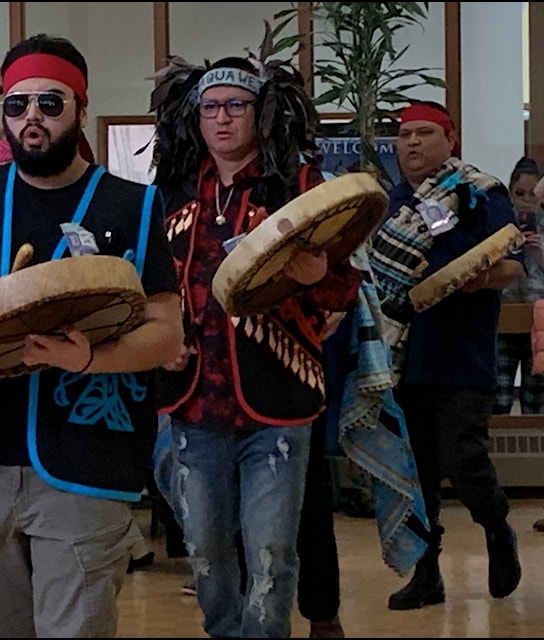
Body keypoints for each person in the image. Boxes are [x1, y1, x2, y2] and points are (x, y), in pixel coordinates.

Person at [0, 33, 184, 638]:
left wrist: (90, 358)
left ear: (80, 108)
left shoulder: (133, 205)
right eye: (17, 103)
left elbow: (166, 334)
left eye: (50, 103)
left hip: (87, 455)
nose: (31, 117)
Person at [147, 50, 362, 637]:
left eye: (235, 106)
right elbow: (144, 283)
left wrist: (321, 276)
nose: (221, 119)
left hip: (278, 401)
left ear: (260, 111)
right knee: (210, 557)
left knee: (270, 558)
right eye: (210, 108)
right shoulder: (170, 193)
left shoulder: (299, 187)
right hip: (192, 405)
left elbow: (346, 286)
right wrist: (159, 340)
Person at [369, 100, 525, 610]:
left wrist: (463, 279)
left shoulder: (479, 193)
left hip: (460, 352)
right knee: (414, 471)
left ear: (449, 139)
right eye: (403, 134)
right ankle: (426, 571)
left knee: (465, 459)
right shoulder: (389, 203)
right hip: (400, 357)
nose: (410, 143)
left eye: (423, 133)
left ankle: (498, 531)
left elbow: (513, 266)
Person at [494, 157, 544, 416]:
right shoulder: (500, 225)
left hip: (539, 320)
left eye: (532, 194)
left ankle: (533, 455)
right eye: (519, 193)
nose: (526, 200)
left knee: (534, 401)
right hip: (505, 314)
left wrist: (538, 252)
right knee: (500, 397)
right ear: (510, 192)